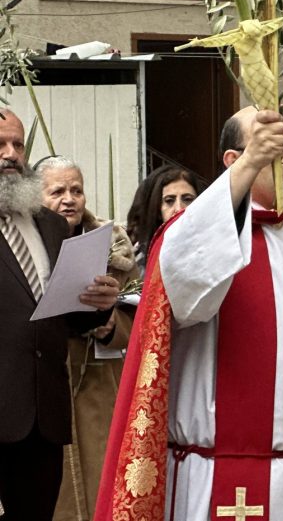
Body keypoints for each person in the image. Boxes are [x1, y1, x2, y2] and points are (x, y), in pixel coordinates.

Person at [95, 108, 283, 521]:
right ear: (234, 160)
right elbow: (185, 290)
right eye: (280, 148)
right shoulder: (199, 236)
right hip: (208, 477)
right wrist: (251, 164)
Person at [0, 109, 119, 521]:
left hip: (42, 420)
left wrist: (96, 305)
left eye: (18, 144)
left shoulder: (50, 223)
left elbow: (62, 317)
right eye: (0, 145)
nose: (11, 155)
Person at [39, 157, 138, 521]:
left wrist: (109, 323)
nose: (69, 199)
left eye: (76, 190)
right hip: (47, 387)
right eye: (58, 191)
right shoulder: (22, 250)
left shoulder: (115, 249)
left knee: (102, 493)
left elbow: (136, 314)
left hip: (98, 389)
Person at [124, 165, 207, 268]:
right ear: (158, 211)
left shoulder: (211, 250)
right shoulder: (141, 257)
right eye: (169, 201)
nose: (179, 208)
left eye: (187, 199)